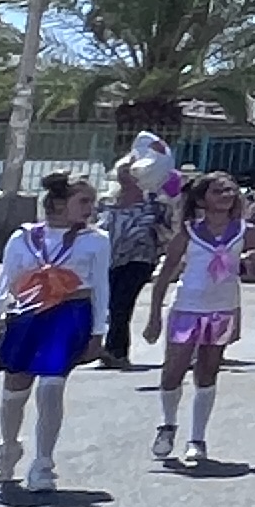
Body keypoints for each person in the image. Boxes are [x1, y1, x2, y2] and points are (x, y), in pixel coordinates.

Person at [0, 174, 106, 497]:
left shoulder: (96, 240)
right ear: (58, 203)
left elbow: (100, 288)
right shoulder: (23, 238)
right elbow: (5, 283)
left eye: (91, 201)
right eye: (82, 201)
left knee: (51, 388)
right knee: (15, 390)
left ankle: (44, 464)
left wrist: (99, 332)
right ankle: (9, 448)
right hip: (28, 317)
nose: (90, 208)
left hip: (69, 316)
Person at [151, 170, 255, 469]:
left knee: (209, 371)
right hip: (188, 306)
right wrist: (154, 314)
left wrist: (249, 264)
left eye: (230, 191)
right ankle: (168, 423)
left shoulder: (242, 230)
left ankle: (197, 438)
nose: (226, 196)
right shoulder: (189, 231)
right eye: (218, 191)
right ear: (201, 198)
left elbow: (253, 270)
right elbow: (167, 271)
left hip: (222, 307)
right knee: (174, 369)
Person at [96, 151, 178, 373]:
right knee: (109, 302)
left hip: (141, 258)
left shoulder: (155, 204)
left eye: (131, 172)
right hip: (109, 259)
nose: (126, 176)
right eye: (123, 171)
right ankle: (107, 347)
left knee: (121, 302)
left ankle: (117, 351)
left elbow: (170, 231)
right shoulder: (106, 202)